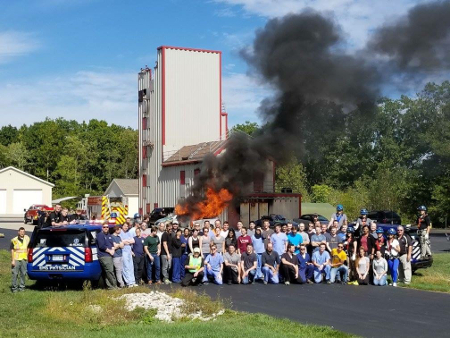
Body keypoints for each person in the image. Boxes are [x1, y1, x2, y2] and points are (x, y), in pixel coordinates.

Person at [96, 222, 117, 289]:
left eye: (107, 227)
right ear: (102, 228)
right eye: (104, 227)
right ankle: (114, 286)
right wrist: (110, 251)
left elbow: (112, 244)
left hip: (110, 255)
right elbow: (102, 246)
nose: (106, 228)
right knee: (110, 271)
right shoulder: (100, 235)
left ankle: (110, 286)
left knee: (108, 271)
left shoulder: (109, 235)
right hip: (104, 255)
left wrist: (113, 249)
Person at [10, 227, 30, 292]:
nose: (22, 233)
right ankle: (14, 288)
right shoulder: (14, 240)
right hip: (16, 259)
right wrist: (13, 260)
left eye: (23, 232)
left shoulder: (27, 239)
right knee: (15, 274)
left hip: (24, 259)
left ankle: (22, 288)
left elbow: (29, 248)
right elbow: (12, 250)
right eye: (21, 232)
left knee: (23, 274)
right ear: (18, 232)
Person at [120, 223, 136, 287]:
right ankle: (128, 282)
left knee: (131, 266)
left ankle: (132, 281)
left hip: (129, 251)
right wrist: (128, 241)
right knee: (125, 267)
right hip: (123, 251)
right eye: (125, 226)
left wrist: (126, 241)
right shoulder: (120, 233)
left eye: (127, 226)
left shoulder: (128, 233)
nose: (126, 227)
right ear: (122, 226)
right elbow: (122, 241)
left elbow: (133, 241)